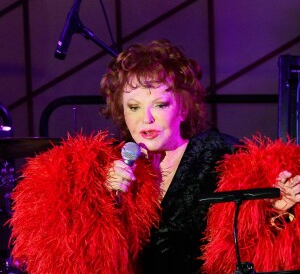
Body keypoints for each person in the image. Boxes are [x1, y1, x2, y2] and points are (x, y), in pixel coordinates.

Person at [8, 40, 300, 274]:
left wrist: (277, 211)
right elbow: (80, 256)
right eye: (133, 107)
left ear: (183, 108)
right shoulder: (106, 166)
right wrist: (101, 203)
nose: (145, 119)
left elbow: (251, 245)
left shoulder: (222, 155)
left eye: (159, 104)